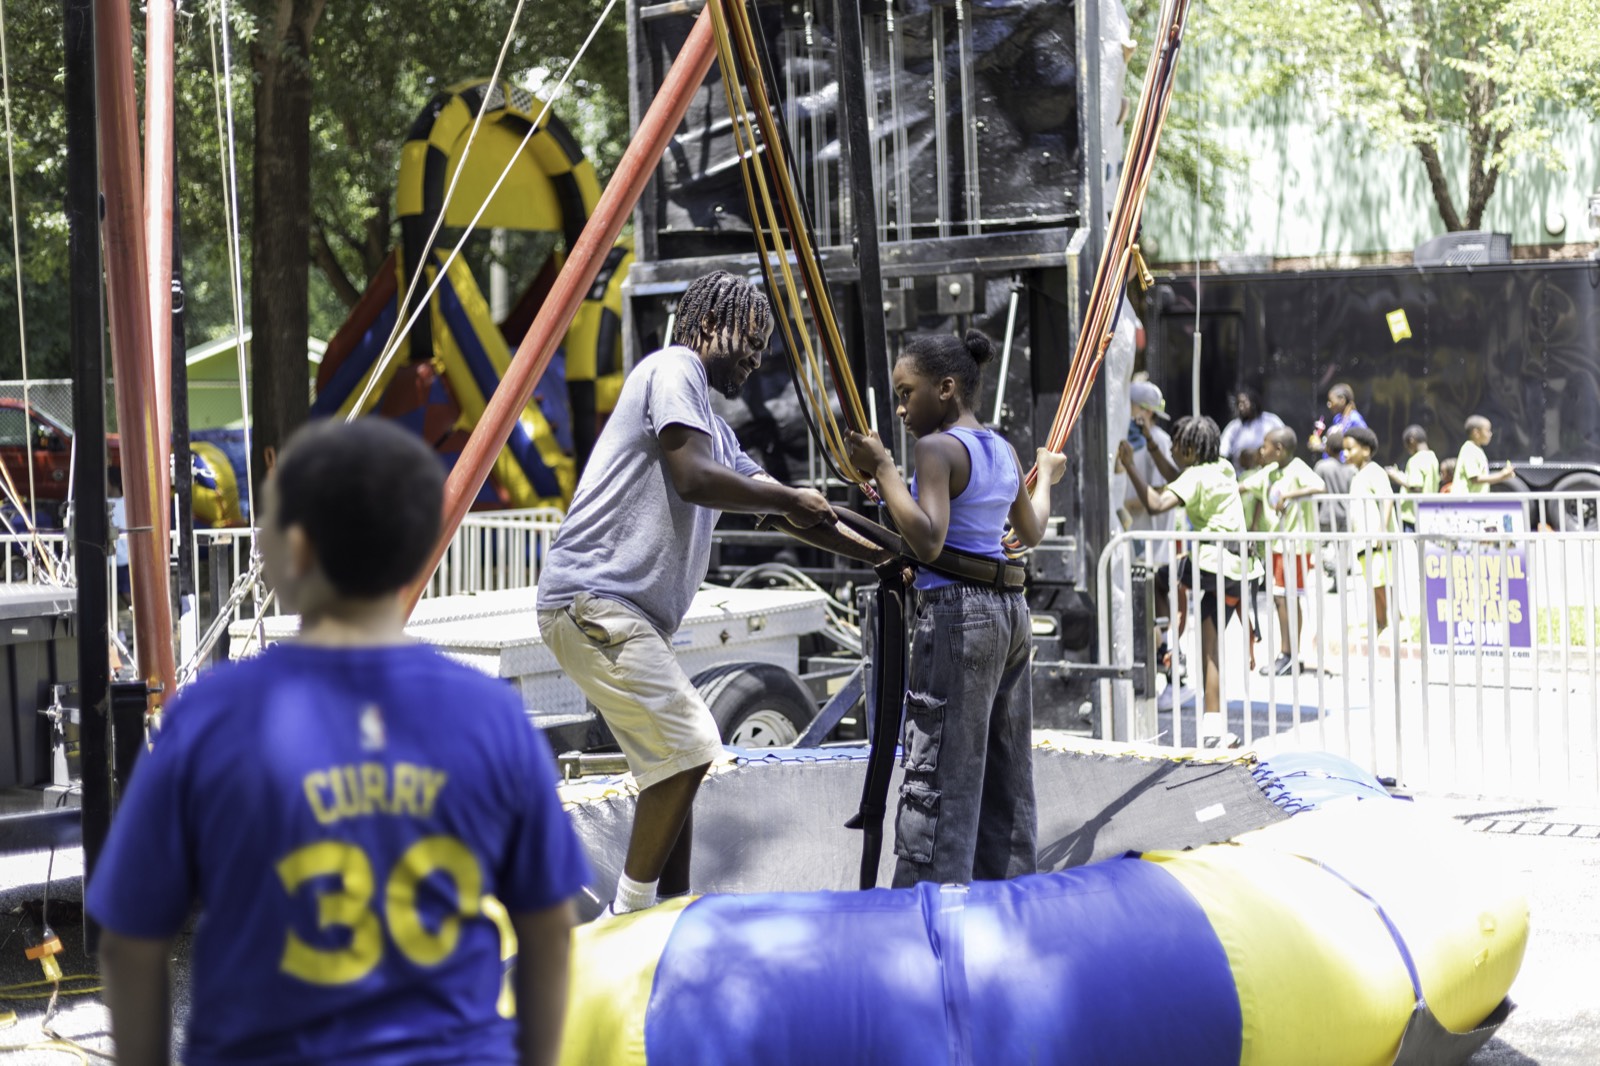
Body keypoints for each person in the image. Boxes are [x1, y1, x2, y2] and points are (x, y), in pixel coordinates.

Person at [89, 419, 592, 1066]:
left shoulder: (210, 717)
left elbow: (129, 940)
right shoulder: (492, 715)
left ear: (296, 551)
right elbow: (550, 931)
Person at [536, 271, 835, 917]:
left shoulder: (719, 434)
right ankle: (631, 914)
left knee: (673, 768)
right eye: (749, 338)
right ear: (705, 326)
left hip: (621, 613)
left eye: (763, 346)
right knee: (695, 742)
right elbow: (695, 480)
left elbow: (792, 515)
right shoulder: (673, 366)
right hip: (593, 600)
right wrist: (791, 498)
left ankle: (673, 910)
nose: (756, 357)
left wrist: (887, 549)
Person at [845, 329, 1064, 887]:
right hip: (1010, 613)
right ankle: (1012, 895)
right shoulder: (1003, 449)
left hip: (959, 615)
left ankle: (928, 908)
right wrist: (1048, 474)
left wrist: (884, 469)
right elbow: (1031, 529)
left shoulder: (934, 449)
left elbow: (929, 540)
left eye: (905, 393)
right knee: (1006, 770)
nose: (899, 408)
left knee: (941, 767)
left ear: (945, 389)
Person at [1118, 416, 1258, 748]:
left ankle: (1169, 646)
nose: (1173, 448)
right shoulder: (1221, 468)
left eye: (1177, 445)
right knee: (1209, 648)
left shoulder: (1195, 476)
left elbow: (1155, 504)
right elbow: (1178, 478)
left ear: (1191, 448)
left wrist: (1129, 466)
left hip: (1214, 567)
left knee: (1203, 641)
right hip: (1241, 569)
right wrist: (1152, 445)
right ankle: (1213, 728)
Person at [1239, 426, 1325, 675]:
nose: (1261, 451)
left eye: (1265, 446)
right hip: (1278, 544)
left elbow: (1319, 487)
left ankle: (1289, 654)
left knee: (1287, 597)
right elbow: (1244, 487)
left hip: (1295, 546)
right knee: (1280, 598)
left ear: (1278, 449)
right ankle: (1287, 654)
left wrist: (1290, 494)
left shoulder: (1297, 468)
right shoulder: (1270, 472)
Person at [1118, 380, 1180, 565]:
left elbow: (1161, 490)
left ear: (1147, 411)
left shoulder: (1159, 441)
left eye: (1130, 406)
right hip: (1135, 540)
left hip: (1154, 548)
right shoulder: (1129, 440)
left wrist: (1125, 506)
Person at [1344, 425, 1396, 632]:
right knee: (1373, 584)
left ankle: (1393, 623)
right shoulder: (1357, 475)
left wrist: (1381, 530)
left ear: (1365, 450)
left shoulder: (1375, 471)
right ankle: (1380, 624)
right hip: (1363, 541)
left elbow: (1387, 498)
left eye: (1350, 449)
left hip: (1377, 541)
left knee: (1382, 584)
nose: (1346, 454)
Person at [1386, 424, 1440, 531]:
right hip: (1427, 512)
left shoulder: (1415, 459)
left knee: (1410, 547)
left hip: (1412, 516)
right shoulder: (1432, 457)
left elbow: (1416, 487)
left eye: (1406, 445)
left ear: (1411, 441)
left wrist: (1395, 476)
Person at [1218, 386, 1285, 472]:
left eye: (1244, 403)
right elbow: (1223, 450)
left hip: (1268, 475)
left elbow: (1286, 441)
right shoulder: (1234, 427)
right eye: (1239, 404)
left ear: (1253, 402)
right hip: (1241, 477)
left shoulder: (1271, 421)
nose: (1241, 407)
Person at [1451, 415, 1516, 494]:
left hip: (1473, 501)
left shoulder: (1477, 450)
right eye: (1488, 431)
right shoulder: (1469, 450)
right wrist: (1501, 475)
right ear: (1476, 433)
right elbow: (1475, 479)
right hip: (1465, 502)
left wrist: (1502, 476)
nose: (1490, 434)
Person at [1307, 383, 1367, 459]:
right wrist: (1319, 445)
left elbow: (1363, 444)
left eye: (1331, 401)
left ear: (1342, 400)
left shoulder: (1355, 419)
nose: (1329, 405)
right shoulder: (1337, 419)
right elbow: (1334, 446)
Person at [1313, 427, 1355, 532]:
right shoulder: (1350, 469)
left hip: (1326, 516)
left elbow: (1314, 487)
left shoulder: (1321, 466)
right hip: (1345, 516)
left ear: (1327, 448)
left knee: (1325, 548)